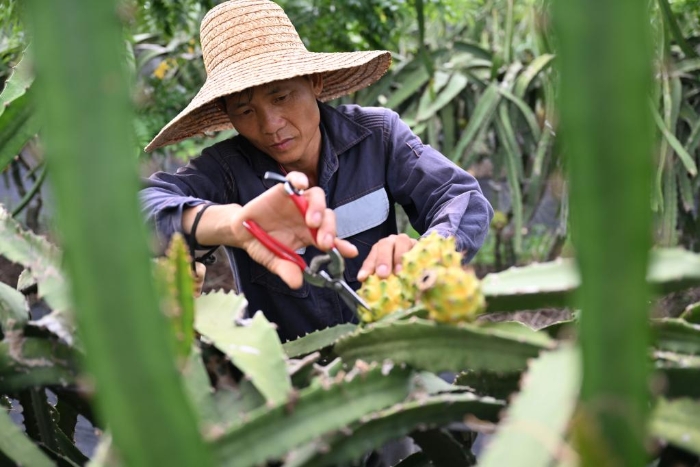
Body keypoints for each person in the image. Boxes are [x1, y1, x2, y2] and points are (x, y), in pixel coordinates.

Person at [140, 0, 493, 343]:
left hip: (398, 347)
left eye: (280, 97)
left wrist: (426, 254)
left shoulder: (378, 136)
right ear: (228, 115)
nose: (270, 125)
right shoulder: (226, 169)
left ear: (315, 82)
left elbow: (460, 196)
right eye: (245, 111)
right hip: (291, 377)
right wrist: (230, 225)